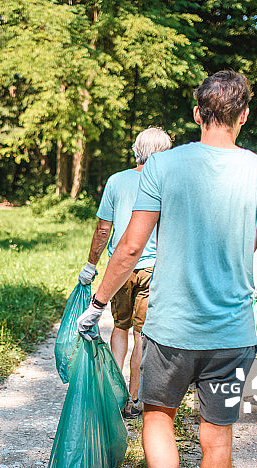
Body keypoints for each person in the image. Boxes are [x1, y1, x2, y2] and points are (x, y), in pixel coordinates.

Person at [76, 71, 257, 468]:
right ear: (244, 116)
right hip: (232, 338)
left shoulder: (162, 167)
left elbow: (130, 247)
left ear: (198, 114)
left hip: (169, 331)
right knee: (218, 440)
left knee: (157, 416)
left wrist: (97, 305)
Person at [78, 127, 172, 419]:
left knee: (120, 327)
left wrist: (91, 265)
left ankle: (113, 397)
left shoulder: (116, 181)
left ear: (136, 149)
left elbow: (103, 229)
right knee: (143, 334)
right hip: (155, 270)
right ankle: (134, 399)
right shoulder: (169, 184)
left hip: (121, 269)